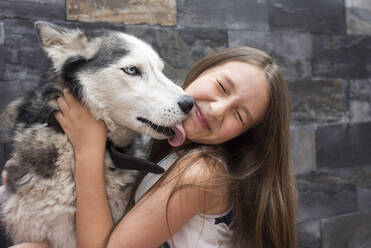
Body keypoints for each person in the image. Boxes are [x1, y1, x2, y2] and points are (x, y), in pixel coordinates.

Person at [1, 46, 297, 248]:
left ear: (243, 135)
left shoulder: (202, 172)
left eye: (239, 115)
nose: (219, 110)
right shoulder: (173, 144)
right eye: (222, 87)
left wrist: (88, 148)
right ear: (202, 71)